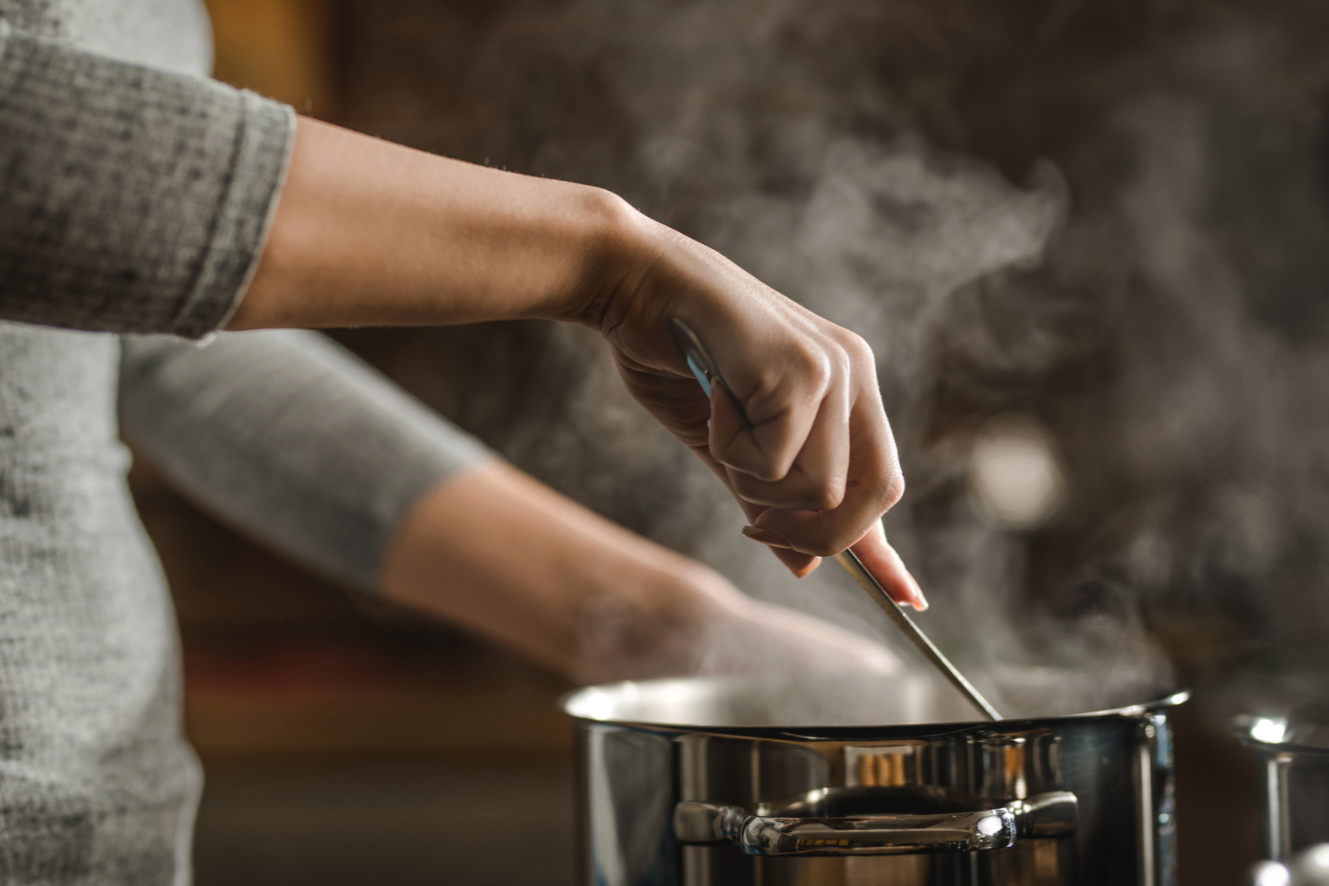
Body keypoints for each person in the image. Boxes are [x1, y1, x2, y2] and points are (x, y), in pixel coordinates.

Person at [0, 0, 923, 880]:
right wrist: (607, 261)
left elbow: (145, 343)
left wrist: (671, 628)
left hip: (95, 819)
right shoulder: (603, 255)